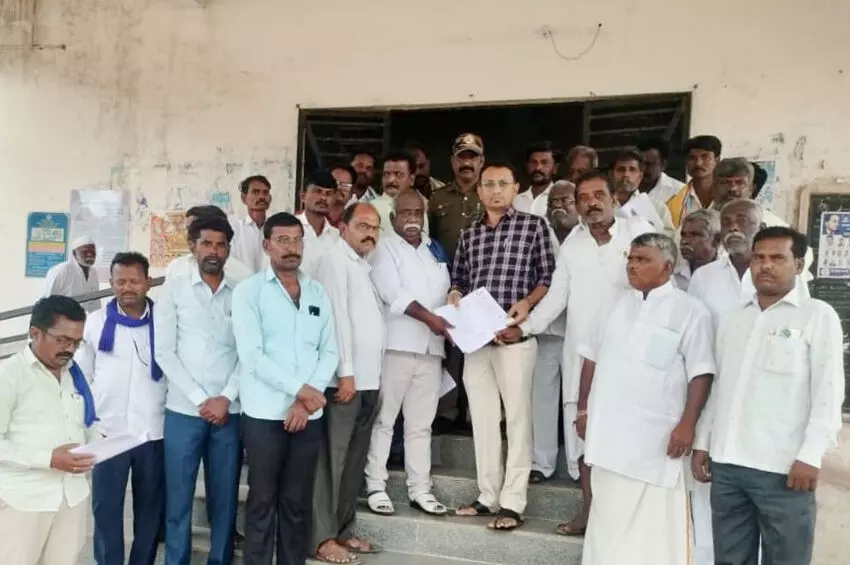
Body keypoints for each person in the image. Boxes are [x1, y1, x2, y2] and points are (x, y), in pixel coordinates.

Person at [693, 226, 844, 565]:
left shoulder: (817, 316)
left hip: (784, 468)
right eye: (758, 258)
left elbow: (828, 391)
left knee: (786, 559)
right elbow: (722, 387)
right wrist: (703, 441)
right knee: (730, 559)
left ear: (798, 264)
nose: (765, 266)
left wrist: (811, 455)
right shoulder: (734, 318)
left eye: (777, 258)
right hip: (728, 464)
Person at [518, 169, 654, 536]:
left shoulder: (638, 234)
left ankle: (626, 522)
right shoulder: (572, 246)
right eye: (584, 198)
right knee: (583, 438)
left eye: (598, 196)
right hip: (581, 356)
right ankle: (589, 512)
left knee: (626, 439)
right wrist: (524, 327)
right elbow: (556, 299)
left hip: (630, 357)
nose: (591, 203)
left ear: (614, 199)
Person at [578, 233, 715, 565]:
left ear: (667, 266)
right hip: (609, 437)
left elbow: (701, 373)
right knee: (607, 526)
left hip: (658, 440)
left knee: (657, 533)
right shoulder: (612, 305)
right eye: (631, 258)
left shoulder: (690, 311)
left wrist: (687, 425)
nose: (632, 266)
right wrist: (582, 409)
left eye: (642, 260)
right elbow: (590, 359)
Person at [451, 162, 556, 531]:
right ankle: (487, 496)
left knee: (517, 419)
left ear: (515, 189)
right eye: (489, 184)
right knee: (482, 419)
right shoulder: (469, 234)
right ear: (479, 191)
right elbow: (459, 278)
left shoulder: (533, 226)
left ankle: (513, 502)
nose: (496, 190)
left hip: (515, 337)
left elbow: (548, 277)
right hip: (478, 340)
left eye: (503, 184)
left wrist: (527, 303)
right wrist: (454, 294)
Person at [231, 212, 339, 565]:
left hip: (308, 416)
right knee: (262, 500)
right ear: (266, 245)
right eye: (283, 240)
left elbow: (330, 351)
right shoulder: (249, 291)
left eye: (297, 240)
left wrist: (305, 401)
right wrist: (301, 391)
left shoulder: (317, 292)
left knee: (297, 502)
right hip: (264, 414)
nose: (292, 247)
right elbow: (252, 356)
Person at [155, 215, 242, 565]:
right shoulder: (173, 289)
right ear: (192, 246)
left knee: (225, 497)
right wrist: (200, 399)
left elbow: (249, 353)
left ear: (228, 250)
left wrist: (226, 396)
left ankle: (219, 560)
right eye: (206, 243)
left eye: (221, 245)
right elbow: (164, 352)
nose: (213, 251)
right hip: (183, 411)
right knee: (178, 498)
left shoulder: (242, 291)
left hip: (229, 413)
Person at [364, 190, 453, 516]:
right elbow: (394, 294)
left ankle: (420, 489)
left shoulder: (433, 249)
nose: (413, 218)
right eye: (405, 213)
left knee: (420, 425)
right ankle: (376, 485)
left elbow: (445, 292)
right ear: (393, 218)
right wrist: (432, 319)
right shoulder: (384, 248)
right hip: (397, 347)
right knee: (384, 420)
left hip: (431, 349)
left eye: (418, 212)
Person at [74, 252, 165, 565]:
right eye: (120, 281)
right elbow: (82, 375)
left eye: (134, 281)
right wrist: (87, 421)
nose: (127, 287)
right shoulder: (95, 323)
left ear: (148, 283)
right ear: (111, 283)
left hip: (152, 430)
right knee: (106, 509)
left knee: (150, 510)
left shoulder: (165, 321)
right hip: (108, 431)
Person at [311, 203, 385, 563]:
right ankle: (321, 537)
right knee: (331, 463)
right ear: (344, 227)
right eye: (363, 226)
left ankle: (342, 529)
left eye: (375, 227)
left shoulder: (363, 266)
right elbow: (336, 319)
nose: (370, 233)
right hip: (344, 381)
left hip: (368, 380)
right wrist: (346, 372)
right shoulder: (333, 261)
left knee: (353, 463)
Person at [0, 295, 97, 565]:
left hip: (72, 498)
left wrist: (98, 446)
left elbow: (88, 422)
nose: (70, 349)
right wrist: (49, 459)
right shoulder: (9, 375)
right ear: (35, 333)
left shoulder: (75, 374)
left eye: (76, 342)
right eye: (63, 340)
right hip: (24, 500)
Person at [428, 133, 485, 432]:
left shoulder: (488, 195)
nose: (467, 163)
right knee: (450, 350)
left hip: (481, 285)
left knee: (479, 351)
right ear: (452, 161)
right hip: (447, 286)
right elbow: (429, 241)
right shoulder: (437, 199)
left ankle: (475, 413)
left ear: (481, 161)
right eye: (462, 157)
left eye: (472, 157)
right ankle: (447, 412)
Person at [688, 199, 811, 327]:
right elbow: (693, 325)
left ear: (761, 228)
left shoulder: (785, 275)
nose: (733, 228)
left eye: (742, 221)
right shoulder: (703, 276)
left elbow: (802, 318)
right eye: (726, 223)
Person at [529, 181, 579, 484]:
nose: (559, 206)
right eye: (554, 202)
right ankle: (542, 462)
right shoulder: (538, 233)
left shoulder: (586, 236)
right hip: (545, 330)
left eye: (566, 201)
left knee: (574, 399)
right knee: (542, 399)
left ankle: (577, 465)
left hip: (578, 332)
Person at [710, 158, 815, 280]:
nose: (732, 189)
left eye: (740, 183)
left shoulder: (768, 221)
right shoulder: (703, 220)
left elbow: (804, 256)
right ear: (714, 188)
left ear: (751, 188)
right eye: (725, 182)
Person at [166, 205, 252, 282]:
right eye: (188, 229)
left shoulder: (242, 274)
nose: (188, 234)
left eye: (194, 228)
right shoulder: (176, 268)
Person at [611, 148, 675, 235]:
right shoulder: (602, 206)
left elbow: (669, 238)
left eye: (632, 169)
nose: (626, 175)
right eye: (621, 169)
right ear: (611, 174)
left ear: (640, 176)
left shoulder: (657, 208)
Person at [666, 135, 722, 228]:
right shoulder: (672, 198)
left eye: (705, 157)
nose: (698, 163)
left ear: (717, 160)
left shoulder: (728, 196)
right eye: (692, 158)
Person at [372, 149, 430, 236]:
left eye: (398, 174)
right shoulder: (371, 208)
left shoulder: (421, 207)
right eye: (386, 174)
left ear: (411, 179)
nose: (391, 180)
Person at [296, 170, 341, 277]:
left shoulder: (337, 236)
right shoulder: (288, 229)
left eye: (329, 194)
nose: (323, 198)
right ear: (303, 196)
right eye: (317, 191)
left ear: (334, 200)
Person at [43, 235, 101, 312]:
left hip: (84, 318)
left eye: (92, 252)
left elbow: (95, 302)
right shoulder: (61, 271)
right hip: (62, 317)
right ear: (74, 253)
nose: (90, 255)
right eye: (85, 252)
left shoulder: (93, 273)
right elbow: (47, 301)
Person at [231, 175, 272, 274]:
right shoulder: (234, 230)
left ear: (270, 198)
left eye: (265, 192)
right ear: (244, 198)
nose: (261, 196)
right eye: (256, 192)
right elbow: (231, 264)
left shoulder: (276, 229)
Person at [674, 209, 720, 291]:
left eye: (695, 235)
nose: (684, 241)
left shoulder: (730, 275)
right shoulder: (672, 270)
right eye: (683, 235)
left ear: (716, 240)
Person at [513, 141, 559, 216]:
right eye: (533, 162)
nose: (538, 168)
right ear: (527, 166)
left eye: (544, 162)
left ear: (555, 168)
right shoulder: (515, 201)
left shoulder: (562, 200)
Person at [636, 137, 686, 203]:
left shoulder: (679, 191)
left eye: (649, 164)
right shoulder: (627, 187)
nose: (643, 168)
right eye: (640, 163)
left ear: (663, 165)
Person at [328, 163, 357, 227]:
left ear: (352, 192)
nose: (339, 188)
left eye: (345, 185)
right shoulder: (308, 216)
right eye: (334, 183)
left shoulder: (354, 223)